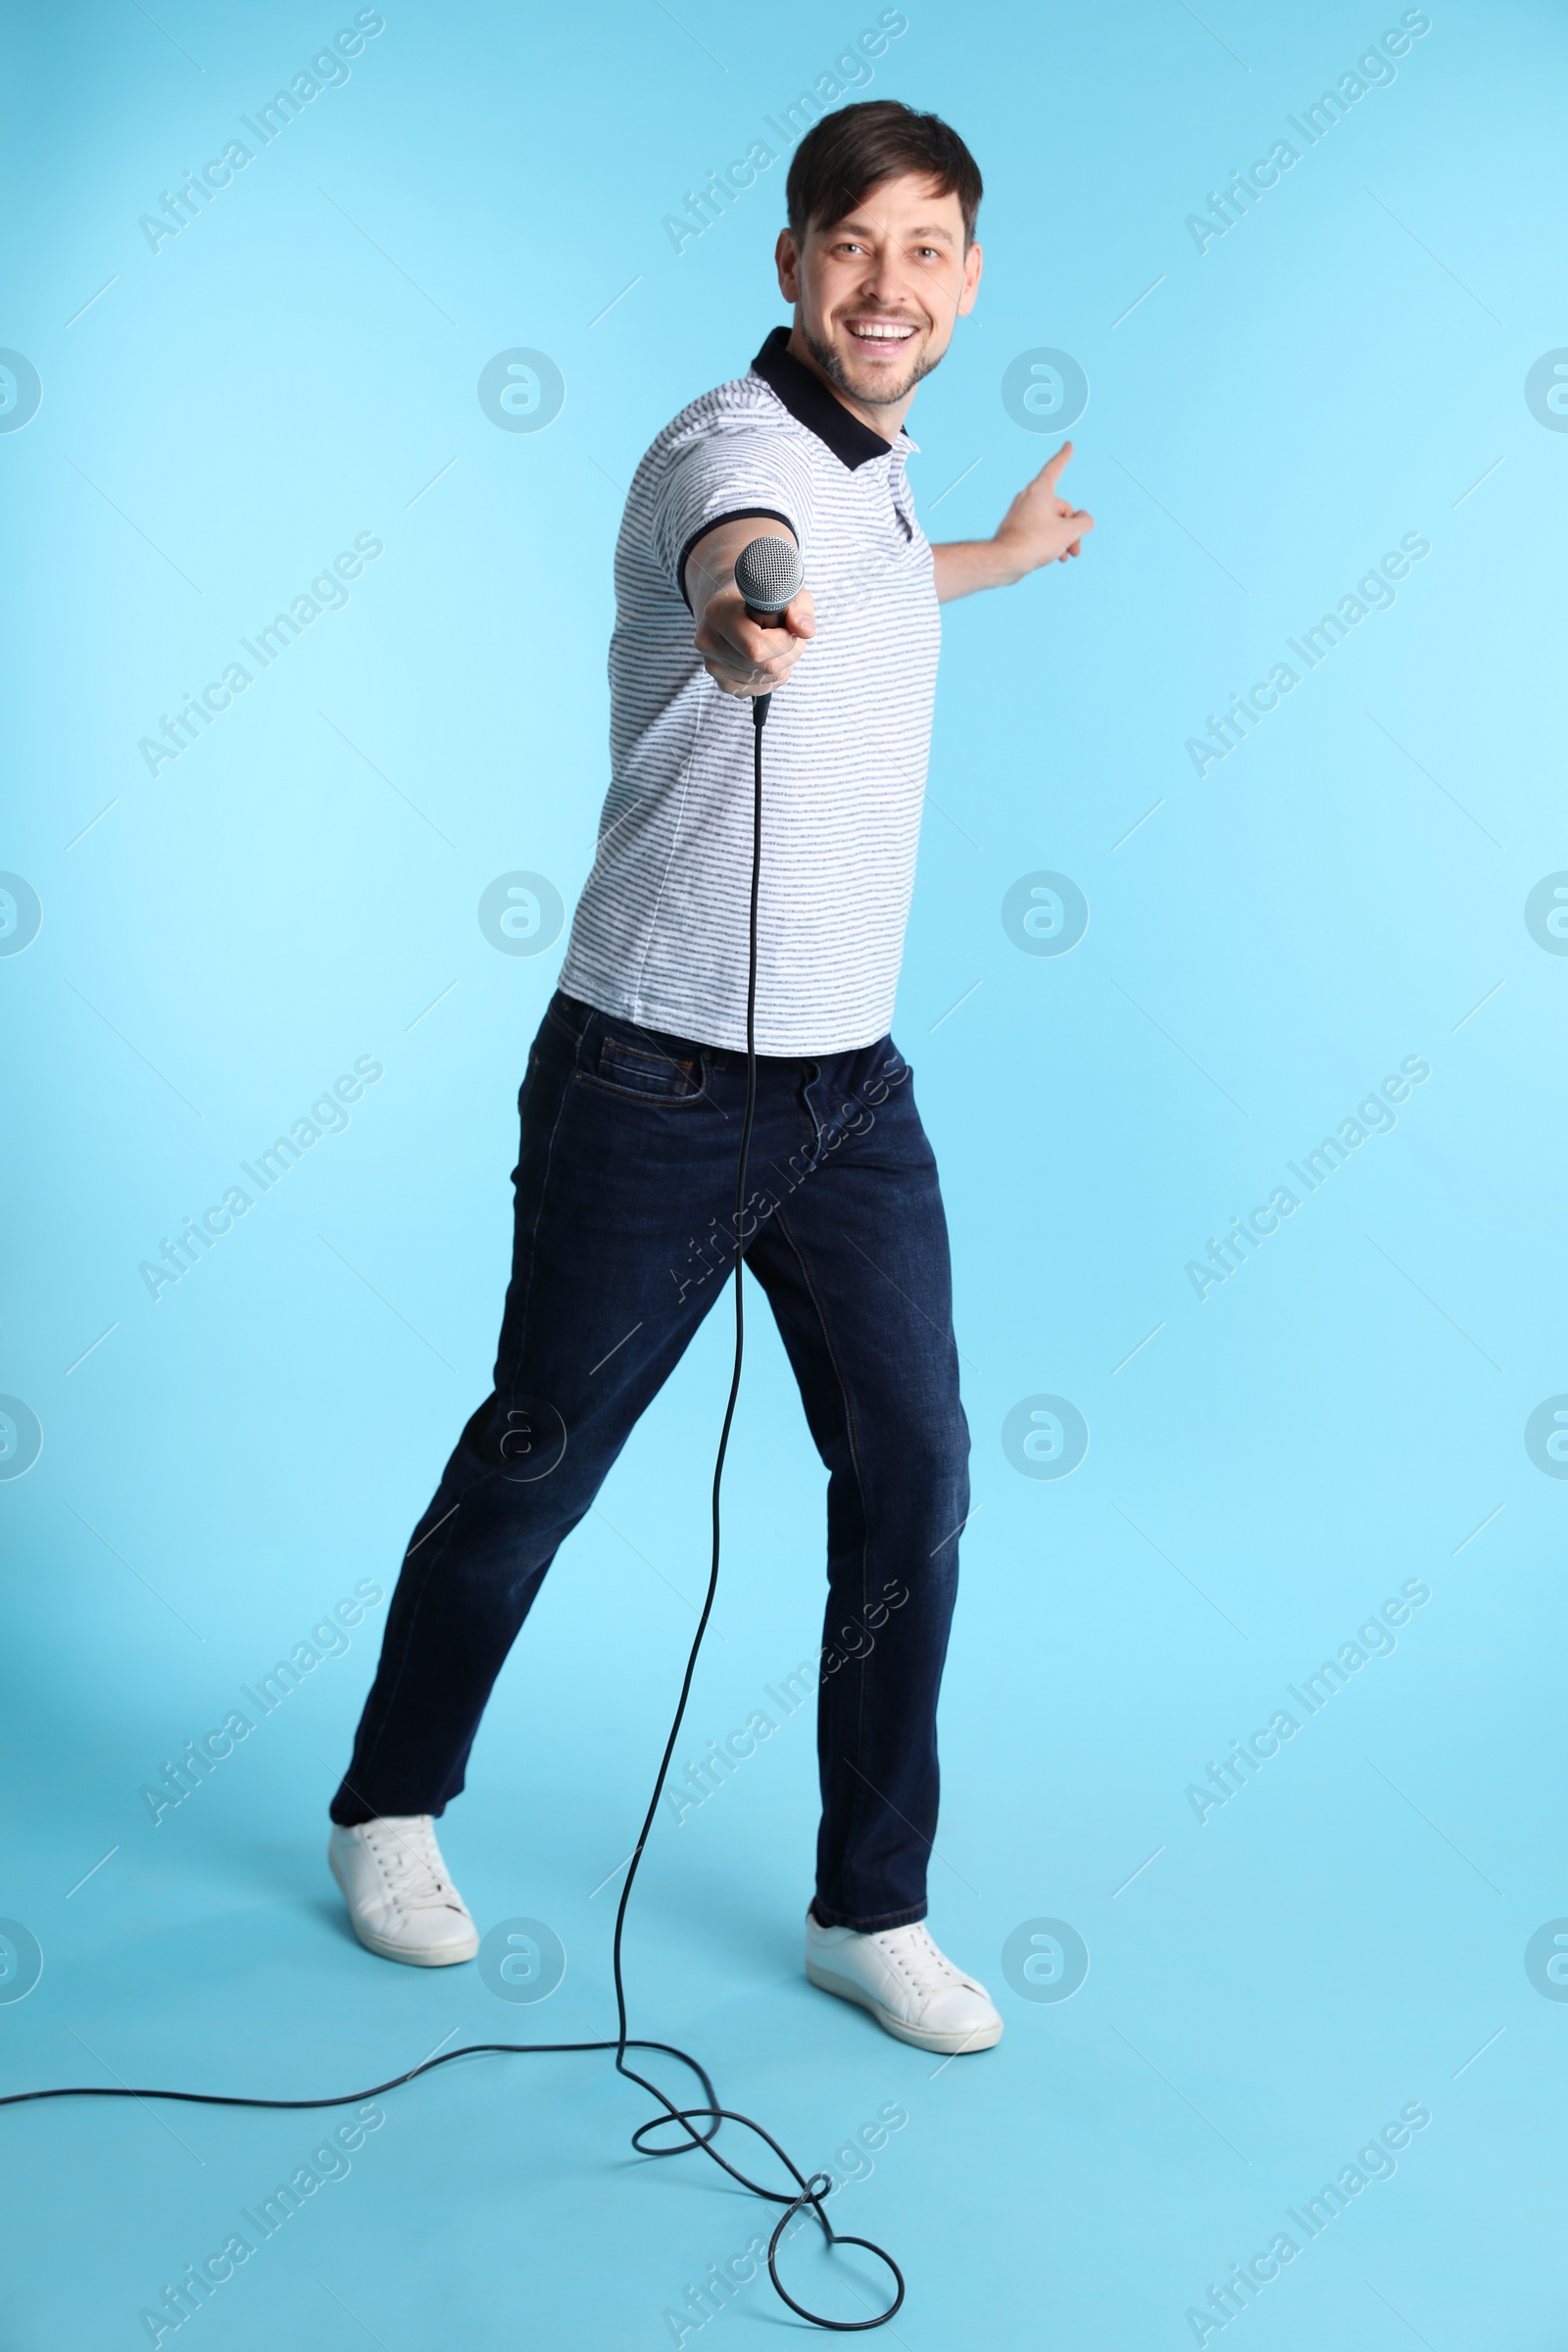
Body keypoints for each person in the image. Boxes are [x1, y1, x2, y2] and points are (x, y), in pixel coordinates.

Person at [327, 98, 1093, 2056]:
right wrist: (738, 618)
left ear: (969, 279)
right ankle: (387, 1805)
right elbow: (743, 554)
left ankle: (869, 1906)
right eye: (853, 245)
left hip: (849, 1095)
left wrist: (995, 552)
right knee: (536, 1460)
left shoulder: (891, 477)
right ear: (788, 265)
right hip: (654, 1076)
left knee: (913, 1471)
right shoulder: (731, 449)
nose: (888, 284)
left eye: (926, 250)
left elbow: (879, 577)